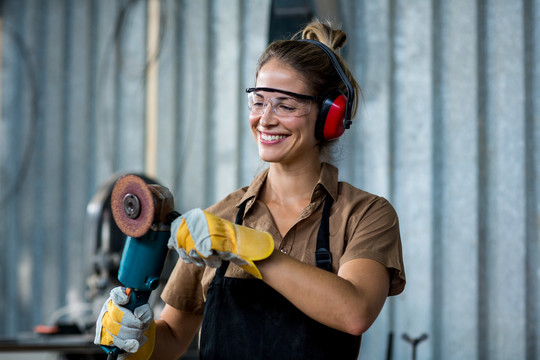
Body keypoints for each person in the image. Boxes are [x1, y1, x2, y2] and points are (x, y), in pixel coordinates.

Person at [95, 19, 405, 360]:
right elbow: (172, 338)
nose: (266, 119)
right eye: (259, 102)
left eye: (286, 105)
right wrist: (138, 338)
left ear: (330, 117)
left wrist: (250, 249)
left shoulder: (364, 215)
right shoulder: (221, 218)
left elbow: (355, 311)